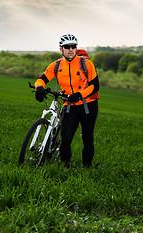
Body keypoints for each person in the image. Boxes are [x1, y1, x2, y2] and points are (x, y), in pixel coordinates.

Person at [34, 34, 100, 168]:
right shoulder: (57, 65)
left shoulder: (86, 64)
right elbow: (42, 79)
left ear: (76, 48)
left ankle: (86, 167)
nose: (71, 49)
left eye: (73, 46)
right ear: (61, 49)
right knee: (65, 140)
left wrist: (80, 95)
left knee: (87, 139)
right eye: (67, 47)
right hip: (70, 107)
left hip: (88, 106)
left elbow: (95, 86)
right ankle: (65, 167)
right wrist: (39, 87)